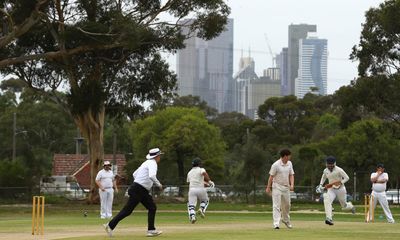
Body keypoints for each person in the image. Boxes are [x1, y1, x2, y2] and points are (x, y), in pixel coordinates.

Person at [103, 148, 164, 237]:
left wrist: (139, 183)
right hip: (139, 189)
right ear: (157, 156)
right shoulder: (153, 163)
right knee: (129, 210)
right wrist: (159, 184)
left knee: (151, 207)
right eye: (160, 155)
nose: (160, 157)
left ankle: (151, 230)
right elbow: (152, 175)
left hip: (139, 189)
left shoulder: (146, 163)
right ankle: (109, 225)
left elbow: (134, 174)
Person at [317, 156, 355, 226]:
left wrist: (340, 182)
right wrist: (320, 185)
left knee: (344, 206)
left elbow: (347, 178)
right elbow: (324, 177)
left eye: (331, 164)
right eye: (328, 164)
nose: (330, 166)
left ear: (334, 163)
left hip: (341, 189)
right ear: (326, 164)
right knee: (326, 199)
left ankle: (351, 206)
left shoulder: (339, 170)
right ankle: (329, 218)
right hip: (331, 189)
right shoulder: (325, 170)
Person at [266, 149, 294, 229]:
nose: (290, 157)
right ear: (285, 156)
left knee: (287, 205)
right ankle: (276, 223)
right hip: (277, 186)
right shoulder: (276, 165)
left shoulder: (289, 163)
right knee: (276, 205)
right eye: (289, 155)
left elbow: (291, 175)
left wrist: (292, 184)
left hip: (286, 187)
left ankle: (285, 220)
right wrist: (268, 187)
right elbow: (271, 177)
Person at [186, 157, 214, 224]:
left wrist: (205, 183)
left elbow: (191, 182)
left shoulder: (189, 173)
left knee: (191, 205)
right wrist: (209, 182)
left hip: (192, 189)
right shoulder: (201, 169)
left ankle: (192, 216)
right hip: (201, 189)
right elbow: (204, 174)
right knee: (205, 200)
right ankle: (201, 209)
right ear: (199, 164)